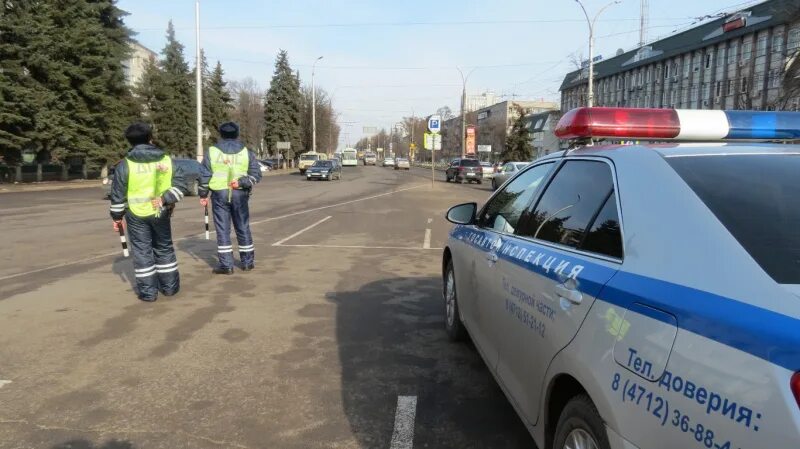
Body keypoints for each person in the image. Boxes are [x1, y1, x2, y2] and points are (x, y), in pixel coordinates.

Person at [109, 122, 187, 302]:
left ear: (130, 142)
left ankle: (149, 293)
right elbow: (180, 185)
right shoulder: (167, 160)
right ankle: (170, 288)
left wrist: (117, 217)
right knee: (164, 247)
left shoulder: (124, 165)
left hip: (135, 215)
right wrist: (165, 199)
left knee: (142, 251)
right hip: (161, 211)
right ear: (150, 139)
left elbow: (118, 195)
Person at [199, 122, 261, 274]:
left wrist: (203, 194)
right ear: (237, 133)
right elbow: (256, 175)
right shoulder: (246, 152)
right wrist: (241, 182)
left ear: (221, 134)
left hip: (219, 194)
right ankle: (247, 262)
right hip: (240, 193)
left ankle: (226, 265)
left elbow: (204, 175)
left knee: (222, 229)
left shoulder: (212, 151)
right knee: (243, 226)